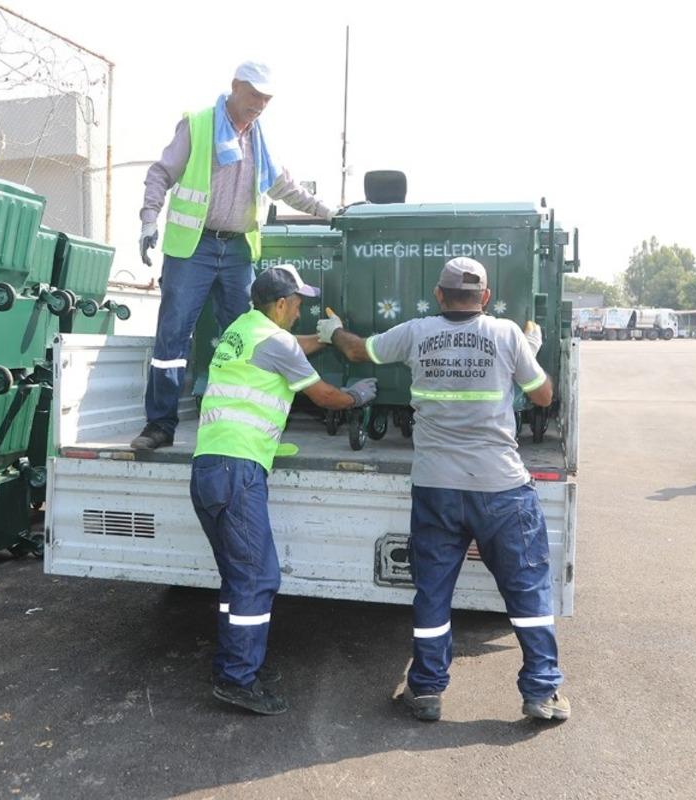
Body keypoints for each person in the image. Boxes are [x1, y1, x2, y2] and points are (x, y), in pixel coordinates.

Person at [317, 256, 570, 723]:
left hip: (436, 486)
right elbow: (542, 397)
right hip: (501, 488)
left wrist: (332, 331)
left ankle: (427, 690)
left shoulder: (416, 332)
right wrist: (528, 349)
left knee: (433, 592)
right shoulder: (506, 334)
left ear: (439, 295)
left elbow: (358, 352)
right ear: (486, 298)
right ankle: (542, 692)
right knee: (527, 591)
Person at [191, 264, 377, 715]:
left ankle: (234, 665)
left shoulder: (244, 329)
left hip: (211, 468)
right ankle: (237, 679)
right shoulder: (273, 341)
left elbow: (292, 348)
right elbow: (324, 396)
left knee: (238, 579)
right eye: (297, 304)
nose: (300, 311)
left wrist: (328, 338)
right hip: (239, 471)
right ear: (279, 304)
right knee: (257, 578)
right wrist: (359, 396)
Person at [133, 60, 337, 451]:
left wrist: (330, 212)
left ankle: (246, 426)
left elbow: (285, 187)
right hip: (194, 247)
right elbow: (160, 173)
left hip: (238, 249)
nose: (259, 104)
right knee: (173, 337)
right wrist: (147, 220)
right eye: (254, 95)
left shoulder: (259, 140)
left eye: (266, 98)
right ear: (234, 87)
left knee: (247, 337)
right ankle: (159, 426)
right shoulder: (198, 124)